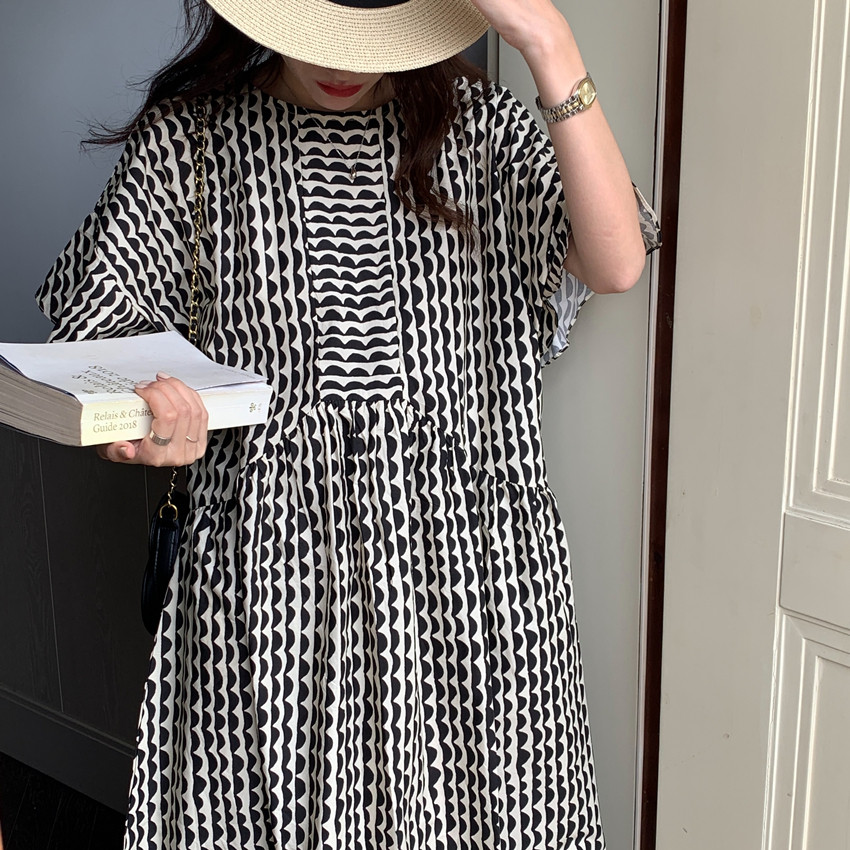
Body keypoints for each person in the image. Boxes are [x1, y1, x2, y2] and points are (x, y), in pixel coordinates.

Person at [36, 0, 660, 846]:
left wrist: (549, 41)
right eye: (317, 32)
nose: (343, 64)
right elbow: (95, 334)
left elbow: (616, 259)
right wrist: (149, 418)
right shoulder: (192, 140)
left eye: (373, 35)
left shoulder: (485, 128)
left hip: (477, 585)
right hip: (273, 585)